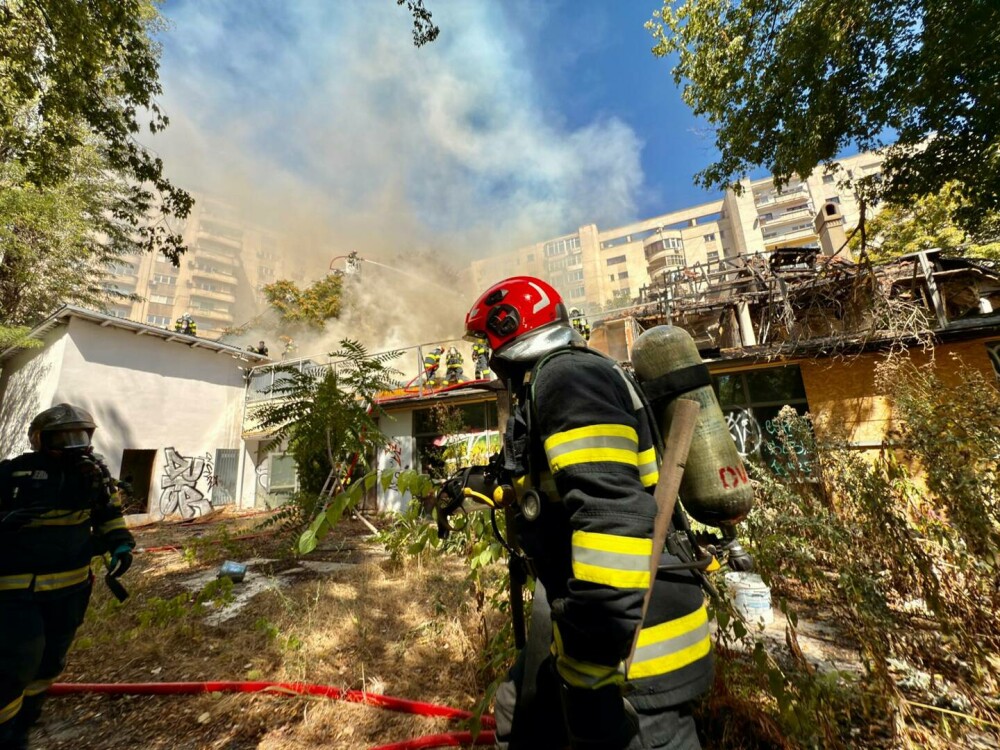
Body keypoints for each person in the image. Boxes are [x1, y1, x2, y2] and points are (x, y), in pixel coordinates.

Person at [463, 277, 712, 750]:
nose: (485, 359)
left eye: (485, 344)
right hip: (607, 626)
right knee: (520, 709)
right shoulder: (567, 377)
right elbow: (563, 488)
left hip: (633, 652)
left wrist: (591, 666)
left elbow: (611, 517)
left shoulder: (566, 378)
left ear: (506, 330)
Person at [0, 404, 135, 750]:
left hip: (72, 589)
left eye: (80, 435)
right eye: (63, 436)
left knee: (50, 660)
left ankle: (27, 721)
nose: (73, 443)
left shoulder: (93, 475)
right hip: (17, 590)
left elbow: (109, 515)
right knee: (17, 661)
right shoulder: (14, 473)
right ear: (40, 440)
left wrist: (120, 544)